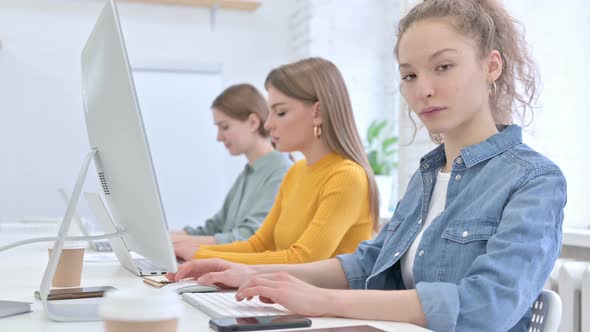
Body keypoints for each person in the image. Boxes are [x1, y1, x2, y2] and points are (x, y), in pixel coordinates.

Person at [166, 1, 567, 330]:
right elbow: (367, 263)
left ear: (491, 66)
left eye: (443, 66)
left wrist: (323, 301)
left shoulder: (533, 181)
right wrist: (245, 273)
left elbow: (485, 306)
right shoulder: (427, 176)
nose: (422, 89)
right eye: (409, 74)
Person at [173, 57, 379, 264]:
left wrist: (201, 255)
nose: (269, 123)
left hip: (322, 295)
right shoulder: (296, 171)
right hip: (286, 292)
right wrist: (190, 250)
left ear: (318, 113)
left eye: (280, 112)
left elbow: (302, 259)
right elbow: (257, 245)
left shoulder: (347, 176)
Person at [171, 84, 292, 255]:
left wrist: (178, 242)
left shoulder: (282, 172)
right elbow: (215, 227)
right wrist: (170, 237)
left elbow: (248, 237)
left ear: (253, 122)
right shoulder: (248, 173)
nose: (219, 137)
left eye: (225, 127)